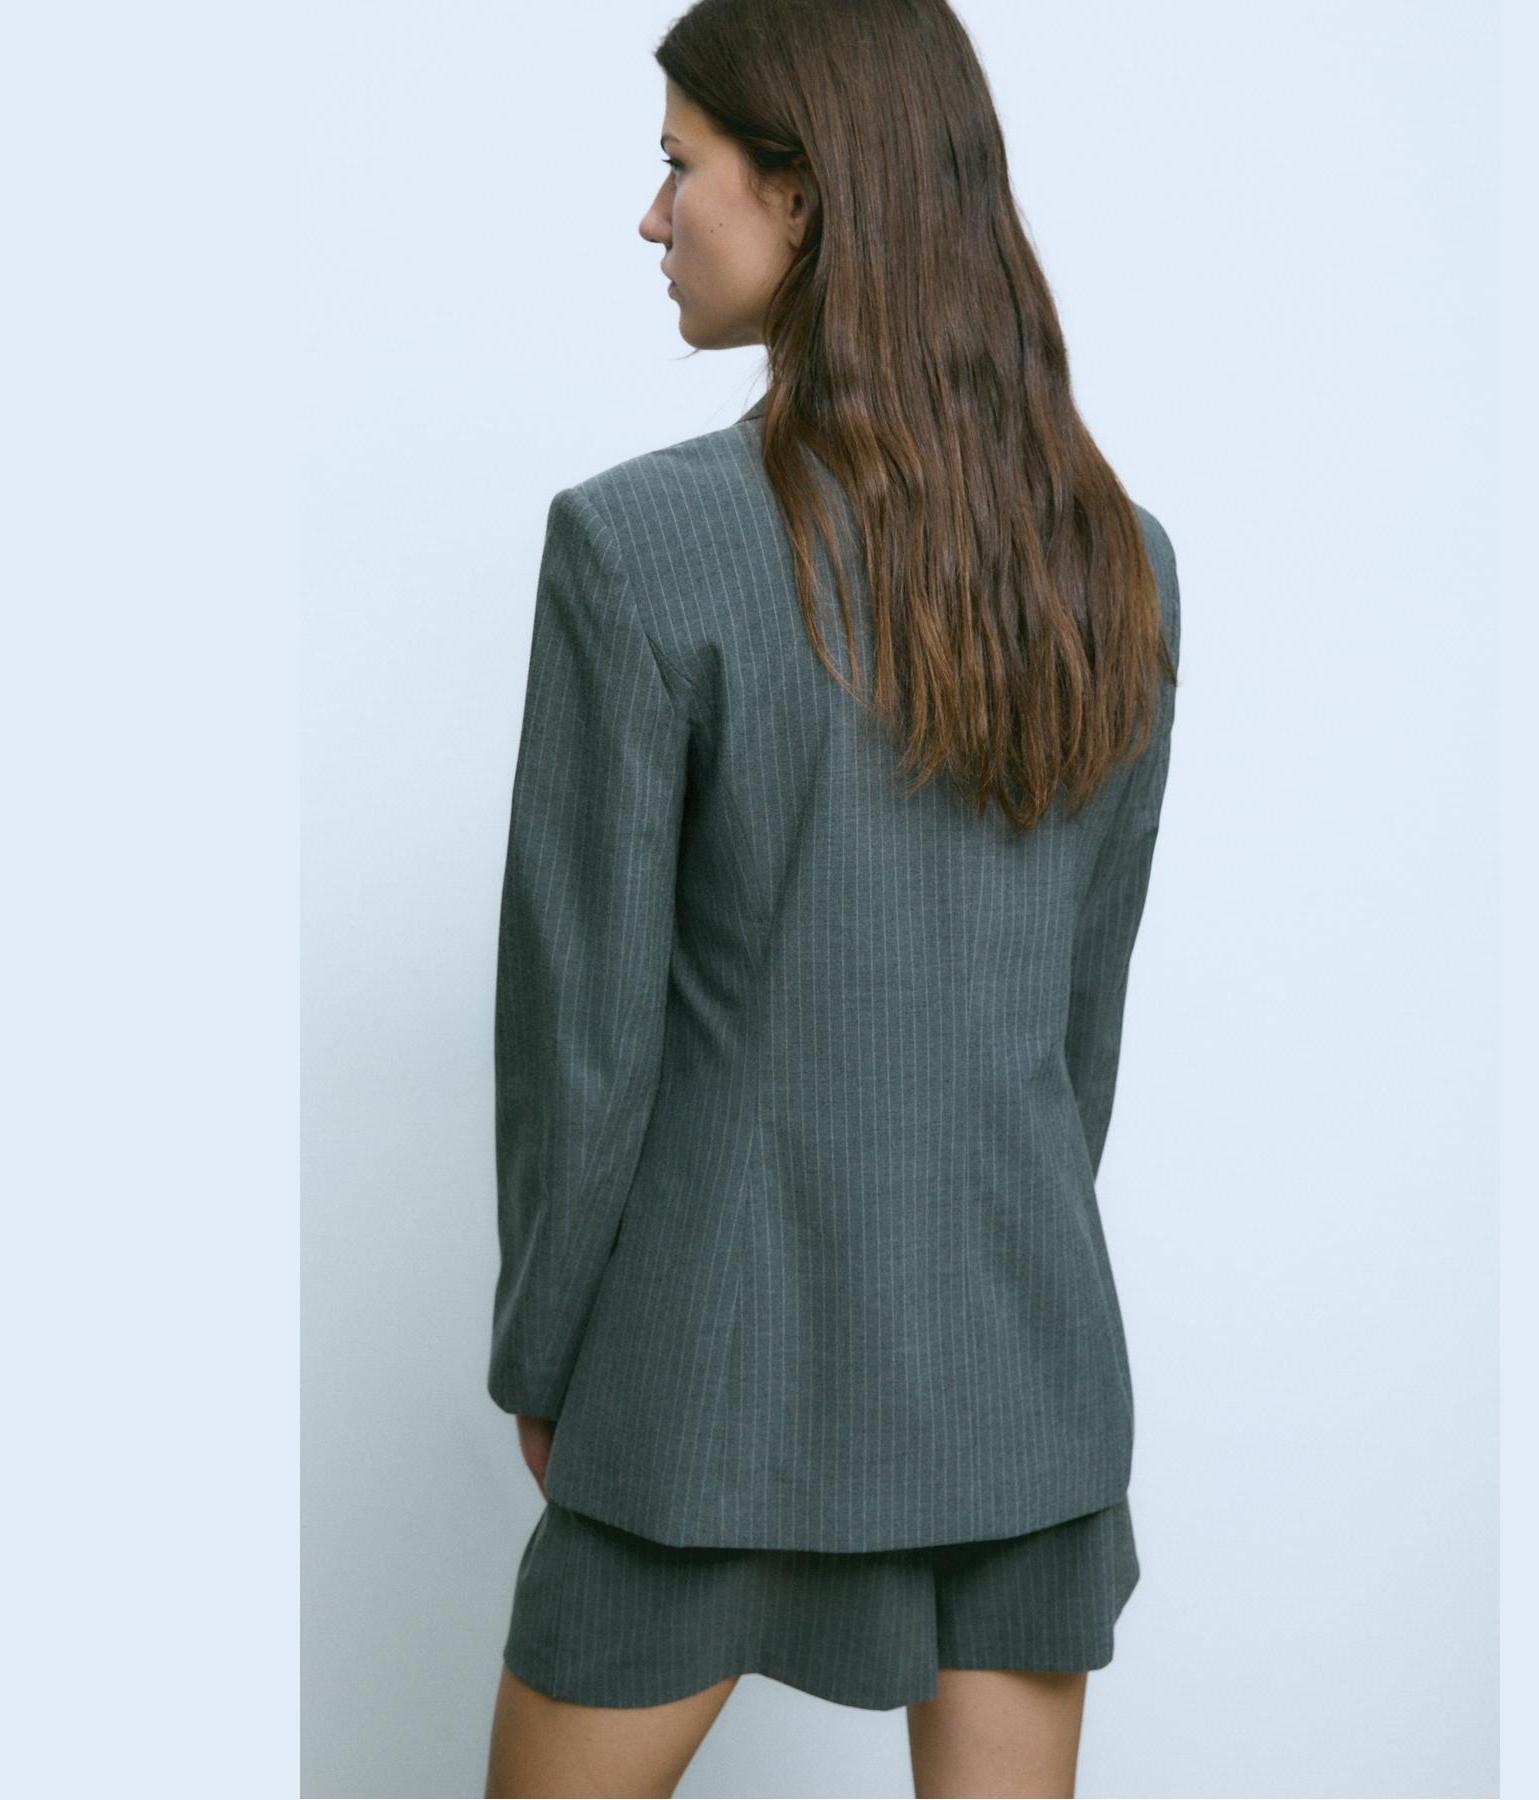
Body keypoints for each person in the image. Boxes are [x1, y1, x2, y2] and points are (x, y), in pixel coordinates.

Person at [483, 3, 1180, 1794]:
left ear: (799, 193)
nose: (654, 217)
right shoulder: (1121, 560)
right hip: (1020, 1364)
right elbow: (1078, 1031)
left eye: (679, 165)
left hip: (705, 1378)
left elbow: (585, 1042)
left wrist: (545, 1358)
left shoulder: (638, 548)